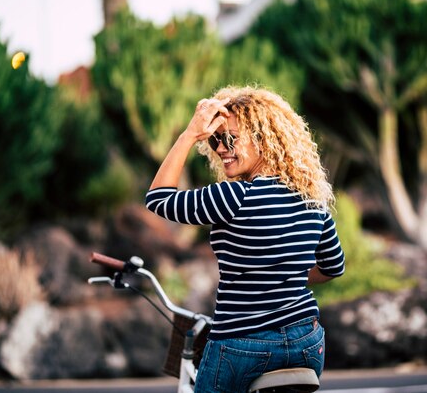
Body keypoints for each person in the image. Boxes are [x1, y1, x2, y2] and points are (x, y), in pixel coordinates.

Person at [145, 85, 345, 393]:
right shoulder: (313, 201)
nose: (221, 148)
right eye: (214, 140)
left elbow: (158, 199)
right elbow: (333, 267)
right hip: (307, 341)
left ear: (264, 138)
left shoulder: (235, 196)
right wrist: (284, 277)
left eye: (230, 138)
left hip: (241, 344)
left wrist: (189, 135)